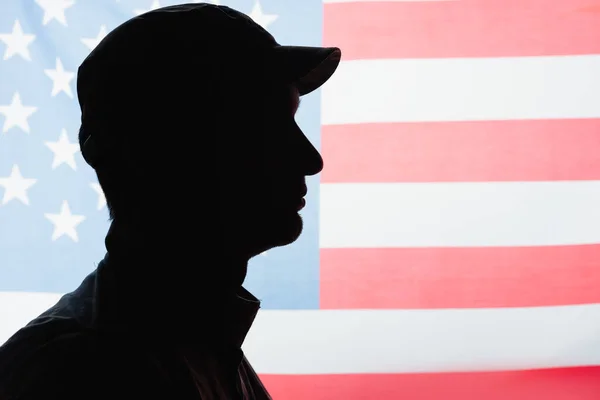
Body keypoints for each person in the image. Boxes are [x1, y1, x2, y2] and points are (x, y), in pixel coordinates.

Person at [0, 3, 341, 399]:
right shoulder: (76, 372)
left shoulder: (196, 343)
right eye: (262, 126)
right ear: (164, 150)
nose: (310, 159)